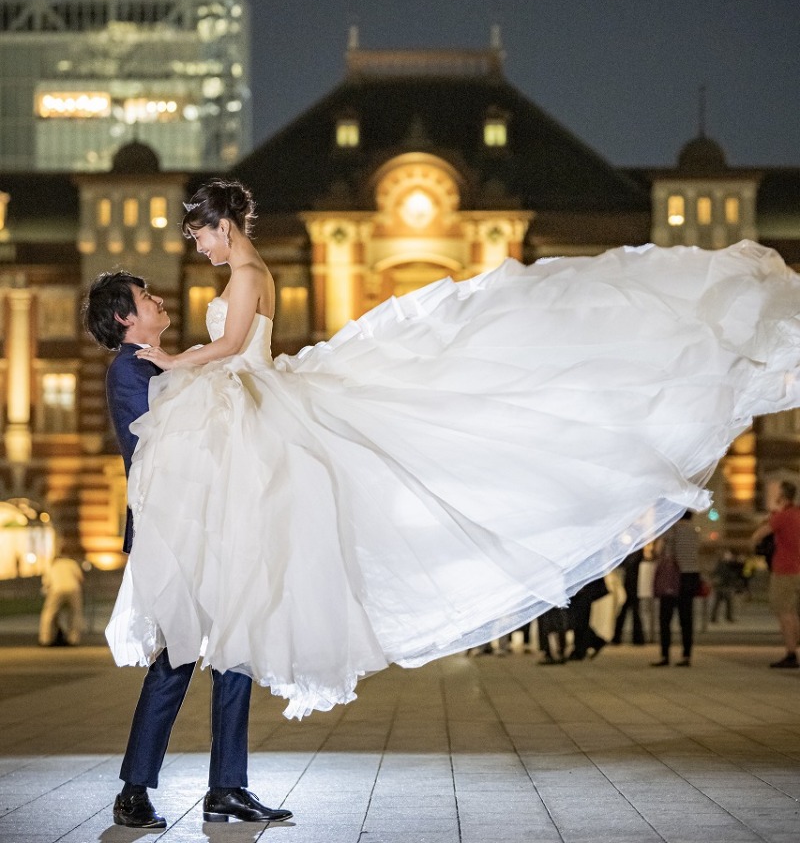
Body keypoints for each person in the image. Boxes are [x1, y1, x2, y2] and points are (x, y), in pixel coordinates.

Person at [103, 179, 800, 719]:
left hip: (252, 396)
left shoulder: (248, 275)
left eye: (200, 237)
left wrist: (168, 361)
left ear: (221, 226)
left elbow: (229, 348)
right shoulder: (247, 271)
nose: (198, 250)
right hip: (255, 399)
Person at [84, 270, 292, 831]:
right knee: (176, 659)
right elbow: (150, 447)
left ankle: (227, 787)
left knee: (235, 650)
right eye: (145, 298)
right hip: (173, 537)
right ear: (126, 318)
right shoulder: (129, 372)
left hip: (213, 526)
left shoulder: (163, 362)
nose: (157, 301)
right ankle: (133, 791)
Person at [752, 480, 800, 669]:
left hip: (784, 569)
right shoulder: (796, 514)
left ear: (782, 496)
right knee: (793, 612)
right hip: (797, 568)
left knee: (784, 612)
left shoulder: (782, 517)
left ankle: (791, 654)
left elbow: (758, 535)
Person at [651, 512, 700, 667]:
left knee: (665, 618)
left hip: (673, 577)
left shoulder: (671, 529)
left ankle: (665, 655)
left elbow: (659, 551)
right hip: (691, 576)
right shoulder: (694, 530)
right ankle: (686, 655)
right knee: (686, 618)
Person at [39, 553, 84, 646]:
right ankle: (73, 639)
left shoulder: (52, 565)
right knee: (75, 613)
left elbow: (46, 582)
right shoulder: (72, 563)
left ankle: (45, 638)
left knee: (49, 614)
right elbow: (80, 578)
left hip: (57, 588)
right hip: (73, 588)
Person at [612, 548, 646, 645]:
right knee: (633, 612)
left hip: (630, 584)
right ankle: (637, 639)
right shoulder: (637, 549)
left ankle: (618, 637)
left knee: (627, 612)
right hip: (632, 585)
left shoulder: (632, 550)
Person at [709, 549, 741, 624]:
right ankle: (717, 618)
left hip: (723, 585)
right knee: (720, 602)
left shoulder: (726, 564)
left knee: (724, 602)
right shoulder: (723, 564)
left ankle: (723, 617)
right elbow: (725, 574)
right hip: (722, 586)